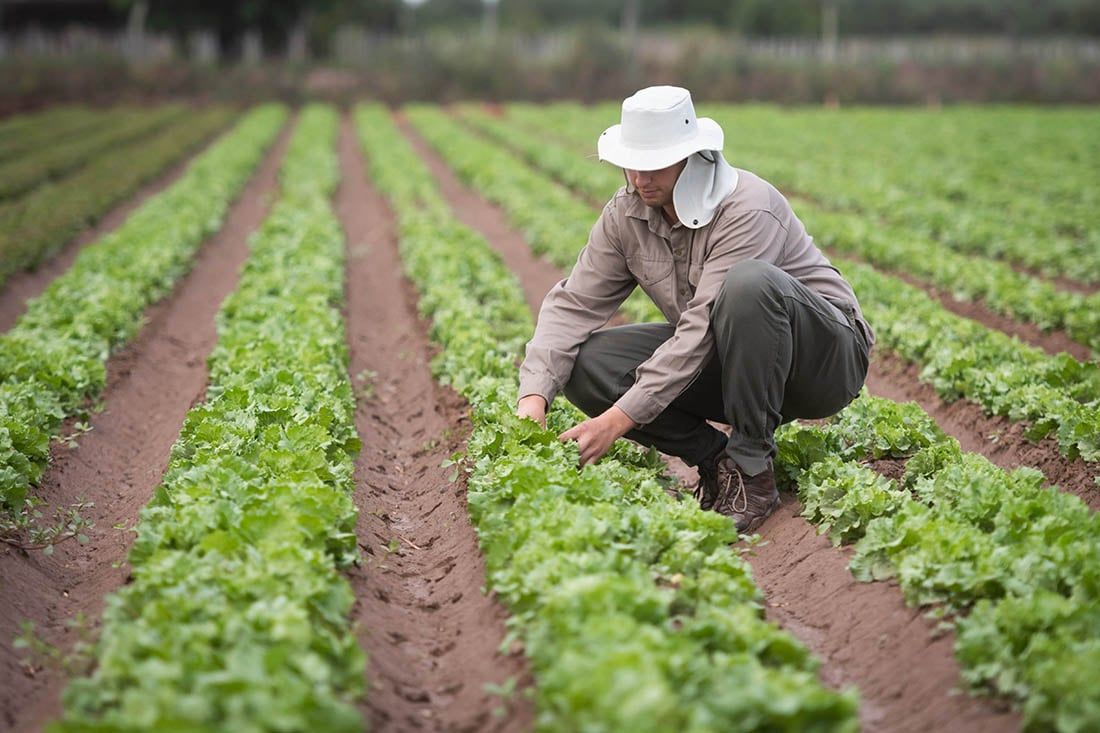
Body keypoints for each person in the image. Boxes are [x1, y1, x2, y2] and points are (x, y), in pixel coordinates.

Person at [515, 86, 874, 533]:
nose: (640, 178)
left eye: (655, 164)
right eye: (634, 162)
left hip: (823, 361)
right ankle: (715, 460)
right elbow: (573, 305)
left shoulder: (747, 207)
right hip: (736, 362)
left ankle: (752, 473)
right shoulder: (626, 215)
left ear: (690, 156)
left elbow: (700, 330)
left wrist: (615, 422)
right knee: (588, 365)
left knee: (749, 284)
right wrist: (533, 399)